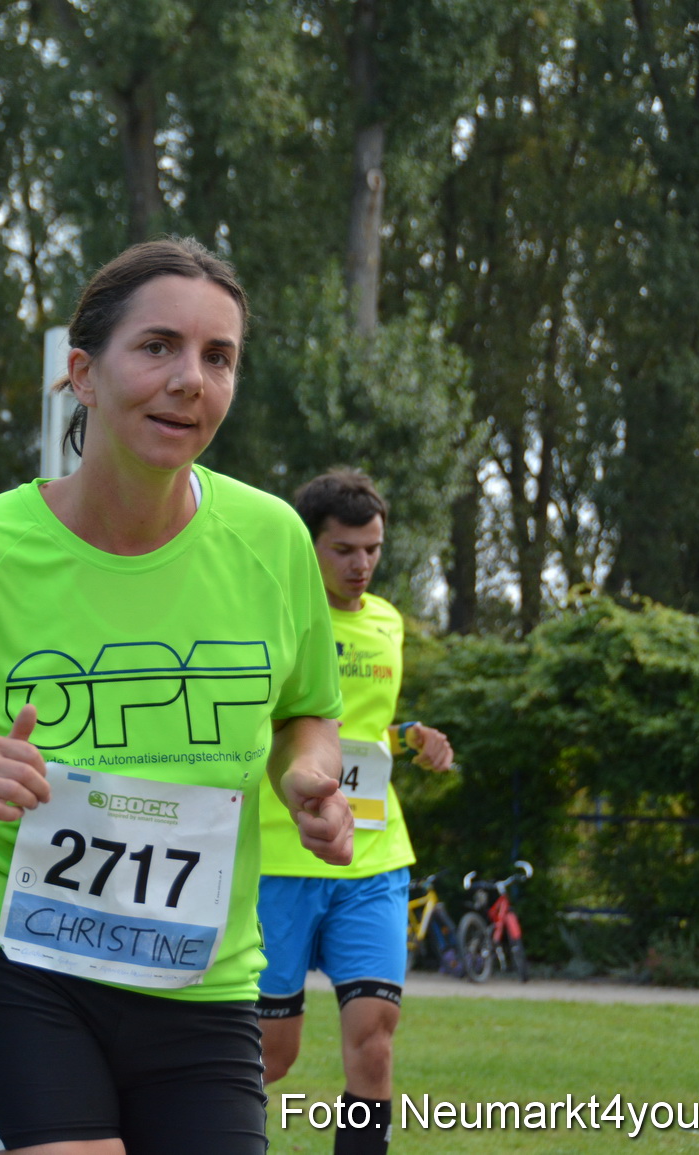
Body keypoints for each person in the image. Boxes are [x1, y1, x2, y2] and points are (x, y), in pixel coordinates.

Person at [0, 238, 354, 1155]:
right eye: (157, 347)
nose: (190, 379)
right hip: (17, 971)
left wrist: (308, 774)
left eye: (218, 357)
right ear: (83, 372)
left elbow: (306, 711)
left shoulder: (272, 542)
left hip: (202, 986)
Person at [254, 469, 456, 1155]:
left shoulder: (389, 623)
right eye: (344, 549)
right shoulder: (270, 614)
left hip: (373, 855)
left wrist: (412, 738)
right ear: (307, 547)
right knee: (268, 1055)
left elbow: (362, 731)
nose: (361, 564)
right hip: (278, 858)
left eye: (372, 548)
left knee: (374, 1045)